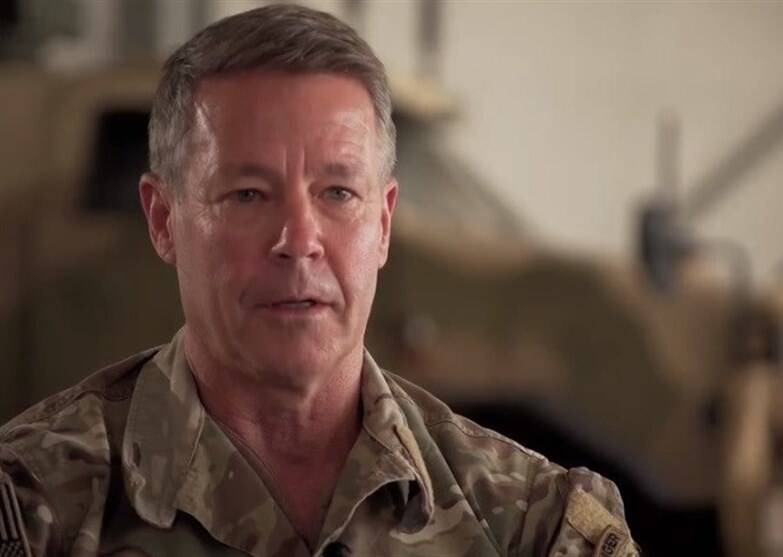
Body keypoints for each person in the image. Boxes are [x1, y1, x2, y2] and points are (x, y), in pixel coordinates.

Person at [0, 5, 639, 556]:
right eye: (248, 194)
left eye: (338, 192)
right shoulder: (33, 506)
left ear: (383, 223)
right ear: (164, 220)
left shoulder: (530, 524)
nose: (299, 239)